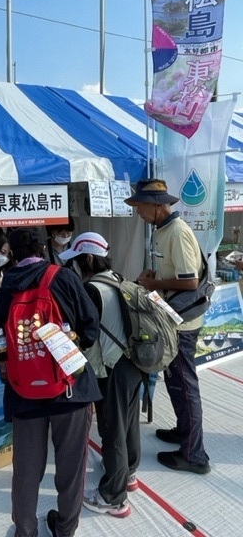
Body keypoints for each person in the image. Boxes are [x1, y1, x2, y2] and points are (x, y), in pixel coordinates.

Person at [0, 227, 101, 537]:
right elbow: (91, 327)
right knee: (71, 467)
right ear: (44, 247)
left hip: (22, 390)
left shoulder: (6, 288)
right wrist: (72, 342)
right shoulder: (64, 277)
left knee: (26, 470)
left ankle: (25, 530)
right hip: (69, 388)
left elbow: (1, 343)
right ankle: (65, 529)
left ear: (11, 253)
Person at [125, 178, 210, 474]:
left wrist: (154, 283)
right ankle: (184, 433)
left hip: (184, 322)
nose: (138, 212)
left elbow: (190, 281)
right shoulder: (161, 230)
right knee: (175, 381)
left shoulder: (176, 231)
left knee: (185, 385)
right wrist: (154, 276)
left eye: (140, 206)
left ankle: (195, 455)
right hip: (173, 319)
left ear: (156, 205)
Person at [60, 232, 142, 519]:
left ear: (89, 258)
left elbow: (86, 335)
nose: (77, 267)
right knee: (128, 423)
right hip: (132, 364)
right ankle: (128, 473)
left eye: (79, 261)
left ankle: (113, 497)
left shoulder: (92, 289)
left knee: (112, 430)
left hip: (110, 368)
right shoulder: (119, 279)